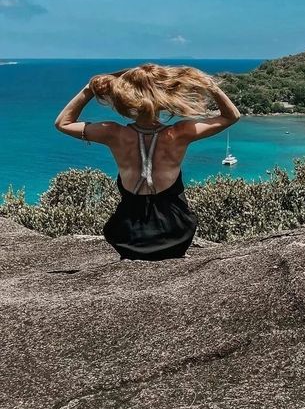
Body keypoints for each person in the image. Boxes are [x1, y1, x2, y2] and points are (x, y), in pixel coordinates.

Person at [53, 63, 241, 261]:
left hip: (127, 236)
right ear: (164, 96)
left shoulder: (113, 133)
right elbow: (232, 116)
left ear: (126, 98)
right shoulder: (180, 133)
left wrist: (90, 89)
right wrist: (209, 85)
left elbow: (63, 123)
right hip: (176, 233)